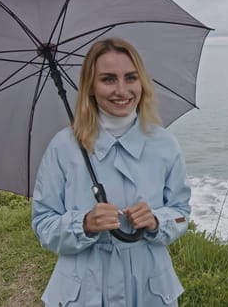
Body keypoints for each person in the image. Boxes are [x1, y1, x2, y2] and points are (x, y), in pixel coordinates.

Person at [32, 37, 191, 306]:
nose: (122, 90)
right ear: (90, 87)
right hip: (83, 289)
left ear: (142, 82)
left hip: (149, 286)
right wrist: (83, 224)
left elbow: (181, 214)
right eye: (107, 79)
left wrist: (156, 220)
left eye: (131, 78)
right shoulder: (64, 146)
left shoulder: (165, 144)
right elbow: (43, 223)